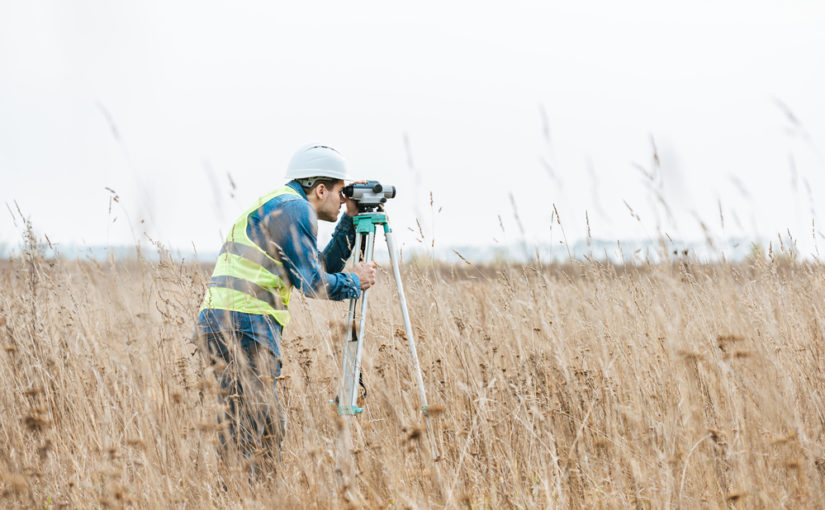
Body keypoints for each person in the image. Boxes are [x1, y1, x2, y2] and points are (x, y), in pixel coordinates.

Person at [195, 143, 377, 466]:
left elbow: (318, 266)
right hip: (245, 325)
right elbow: (313, 283)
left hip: (224, 322)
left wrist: (349, 219)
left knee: (251, 429)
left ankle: (241, 490)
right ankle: (249, 492)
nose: (343, 199)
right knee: (256, 434)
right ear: (320, 190)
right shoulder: (296, 210)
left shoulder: (282, 204)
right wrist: (354, 281)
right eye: (341, 192)